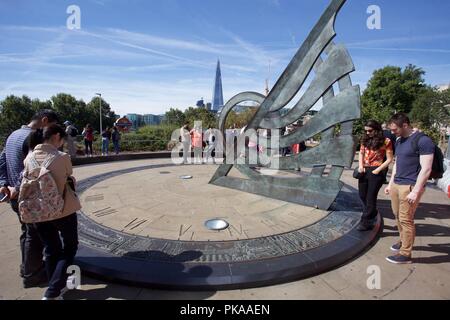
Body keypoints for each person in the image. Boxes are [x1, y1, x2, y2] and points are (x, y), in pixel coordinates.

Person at [0, 109, 59, 288]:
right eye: (52, 126)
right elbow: (31, 169)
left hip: (14, 195)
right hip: (28, 196)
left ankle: (26, 267)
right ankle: (32, 275)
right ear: (44, 120)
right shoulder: (34, 138)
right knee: (35, 235)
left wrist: (3, 183)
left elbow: (2, 160)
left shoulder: (13, 134)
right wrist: (17, 187)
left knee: (27, 232)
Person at [23, 125, 81, 299]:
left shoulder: (29, 158)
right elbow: (68, 175)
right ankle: (53, 291)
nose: (62, 143)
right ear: (56, 136)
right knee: (70, 247)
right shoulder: (61, 157)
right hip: (62, 211)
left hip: (38, 212)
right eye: (62, 139)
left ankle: (54, 284)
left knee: (51, 248)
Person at [385, 113, 435, 264]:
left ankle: (405, 253)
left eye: (395, 129)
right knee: (397, 216)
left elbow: (426, 169)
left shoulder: (423, 141)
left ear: (405, 125)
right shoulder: (400, 140)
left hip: (410, 186)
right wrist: (390, 183)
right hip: (396, 184)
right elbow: (397, 163)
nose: (393, 132)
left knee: (406, 219)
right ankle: (403, 241)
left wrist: (416, 191)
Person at [357, 120, 394, 231]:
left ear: (377, 129)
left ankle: (366, 221)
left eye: (370, 131)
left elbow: (389, 159)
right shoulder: (365, 139)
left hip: (376, 171)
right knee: (362, 195)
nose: (367, 133)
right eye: (366, 131)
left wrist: (378, 170)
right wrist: (360, 166)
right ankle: (372, 213)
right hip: (364, 170)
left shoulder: (386, 141)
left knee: (370, 197)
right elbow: (361, 153)